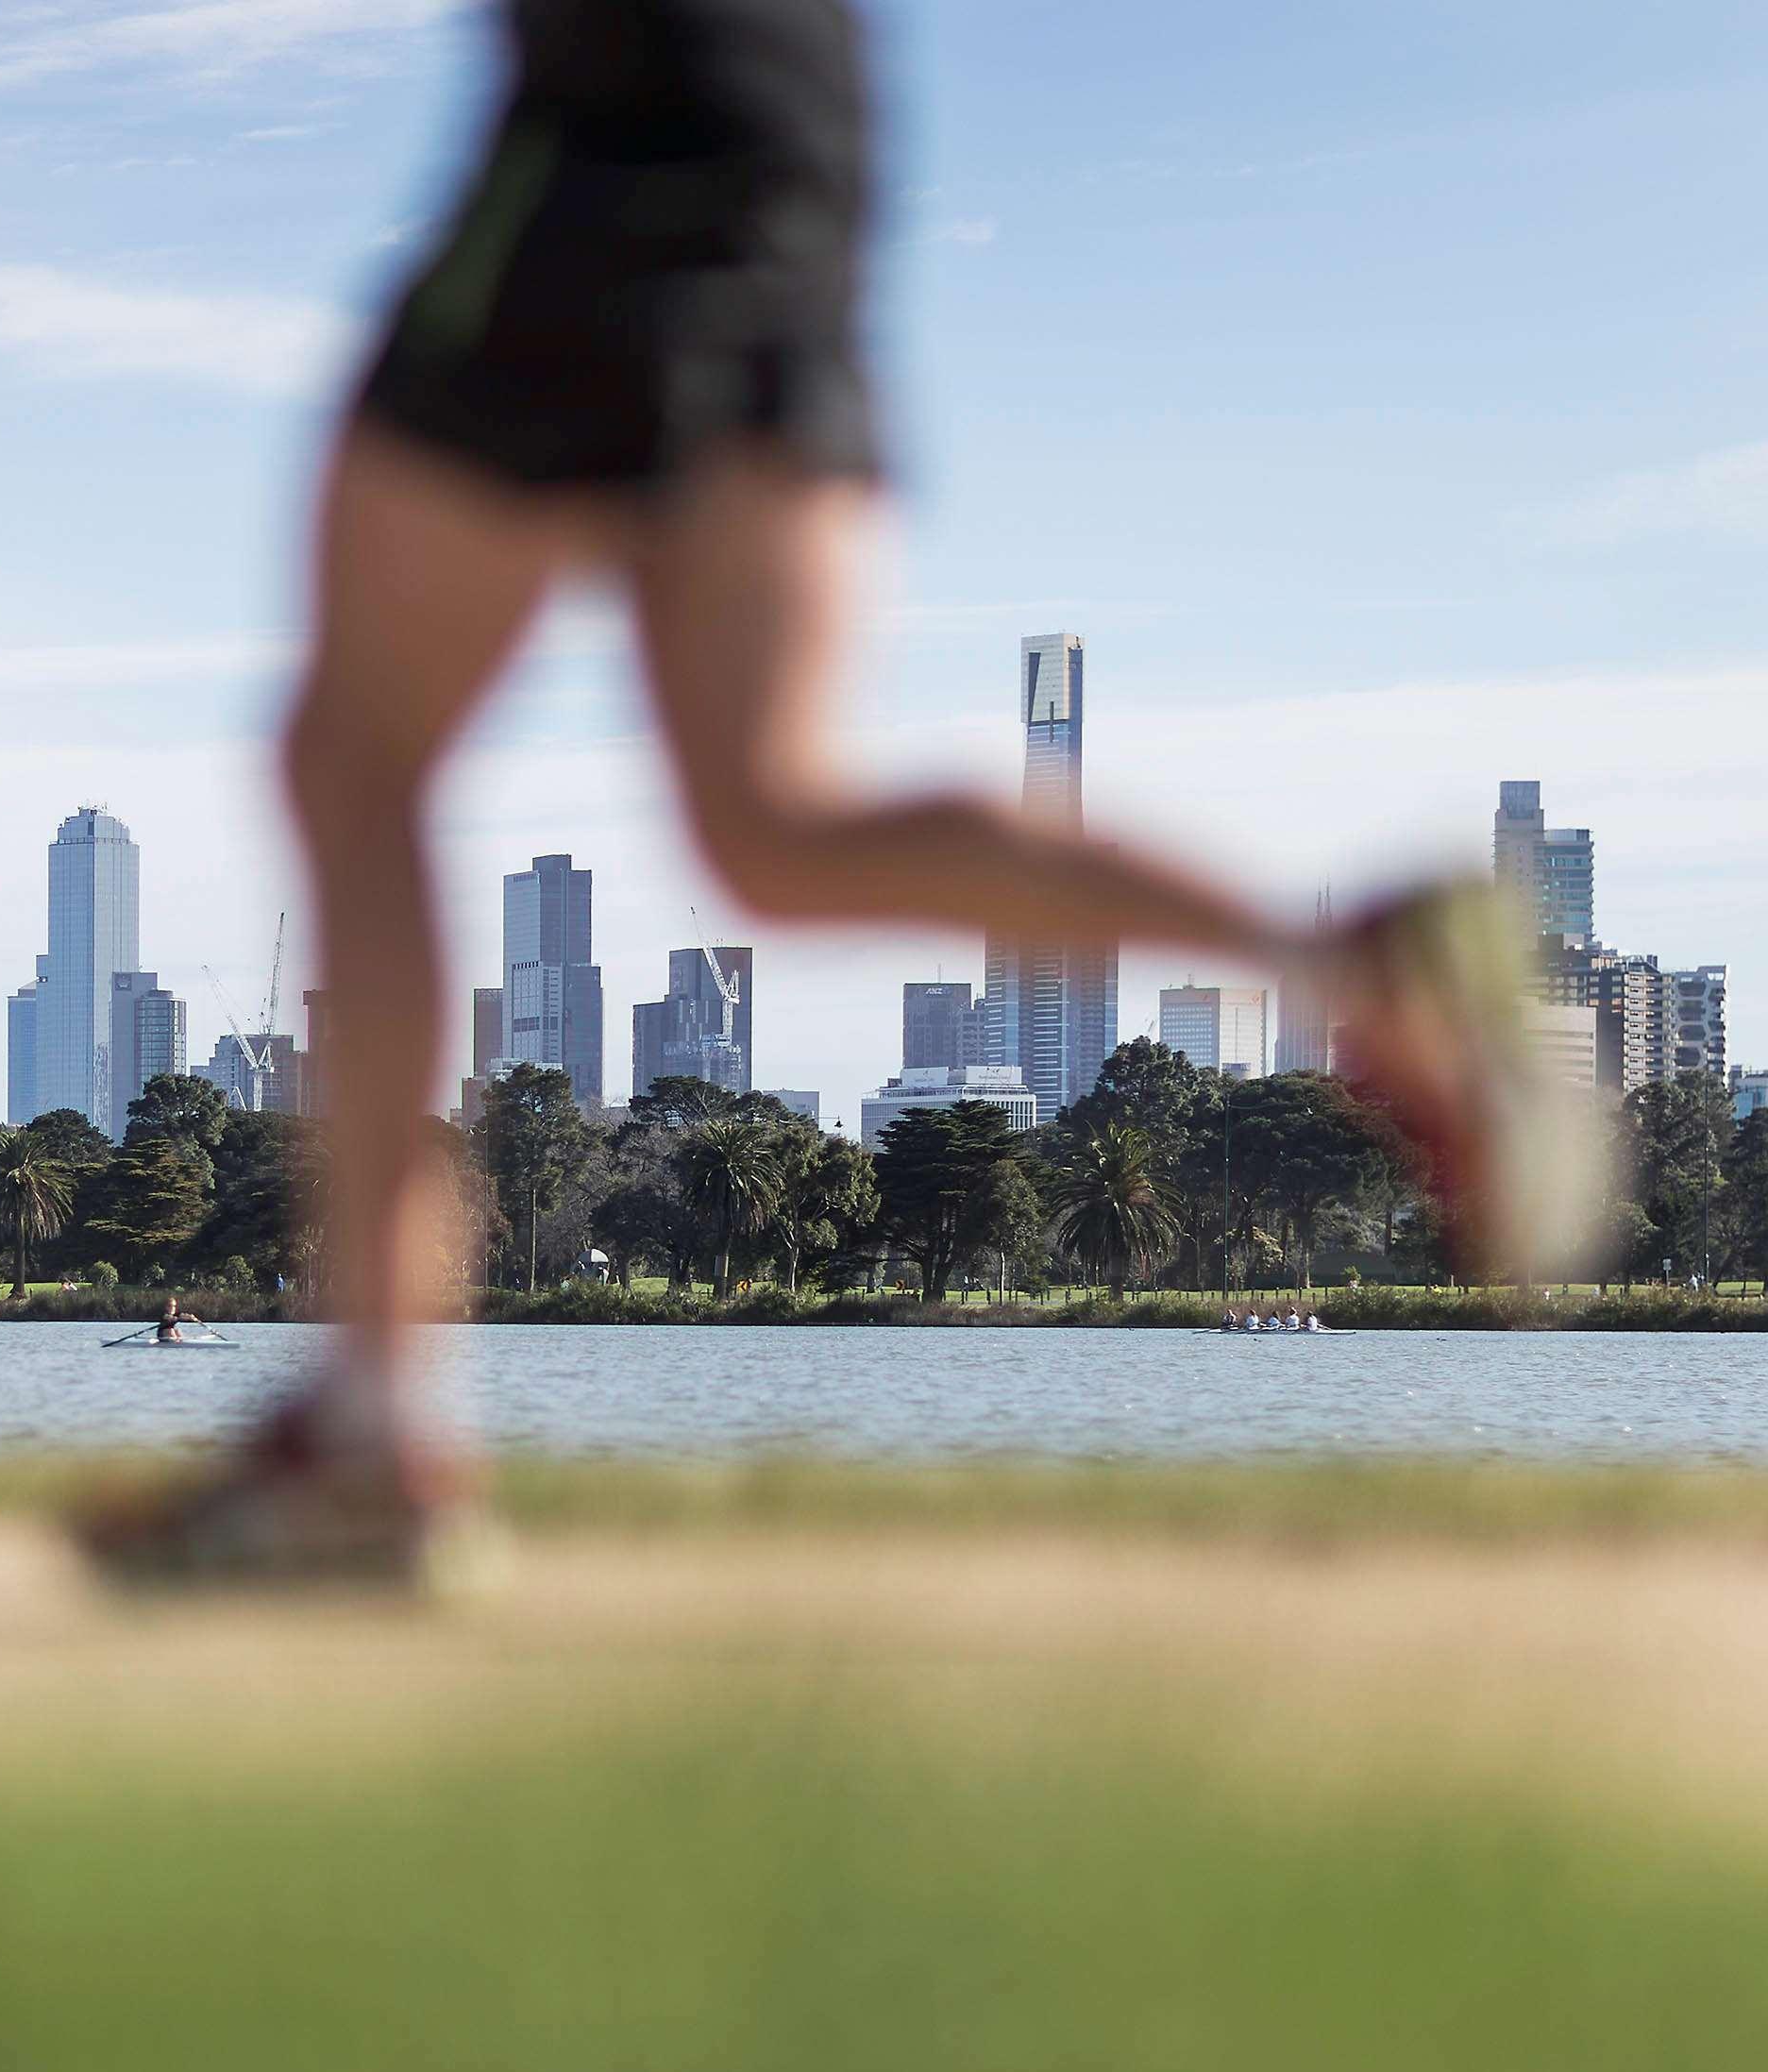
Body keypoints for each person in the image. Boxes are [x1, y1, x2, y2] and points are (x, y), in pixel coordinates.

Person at [78, 0, 1589, 1584]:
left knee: (359, 754)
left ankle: (377, 1430)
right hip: (800, 145)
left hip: (614, 128)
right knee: (772, 822)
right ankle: (1354, 964)